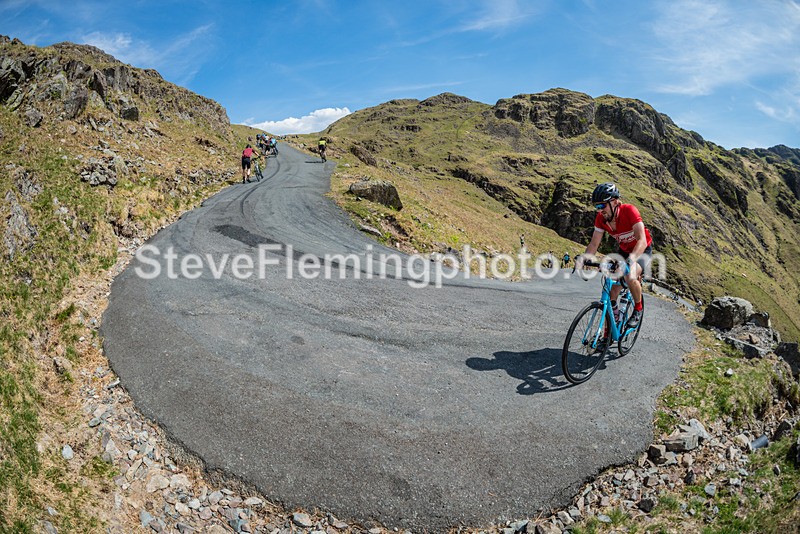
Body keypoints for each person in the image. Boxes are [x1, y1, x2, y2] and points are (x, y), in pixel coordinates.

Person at [577, 182, 652, 329]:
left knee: (630, 275)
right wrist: (585, 258)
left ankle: (638, 309)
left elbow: (642, 241)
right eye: (597, 207)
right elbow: (594, 244)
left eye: (602, 205)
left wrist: (630, 261)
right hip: (624, 251)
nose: (600, 210)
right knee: (611, 291)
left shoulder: (629, 211)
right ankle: (608, 333)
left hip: (642, 249)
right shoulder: (601, 218)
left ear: (614, 202)